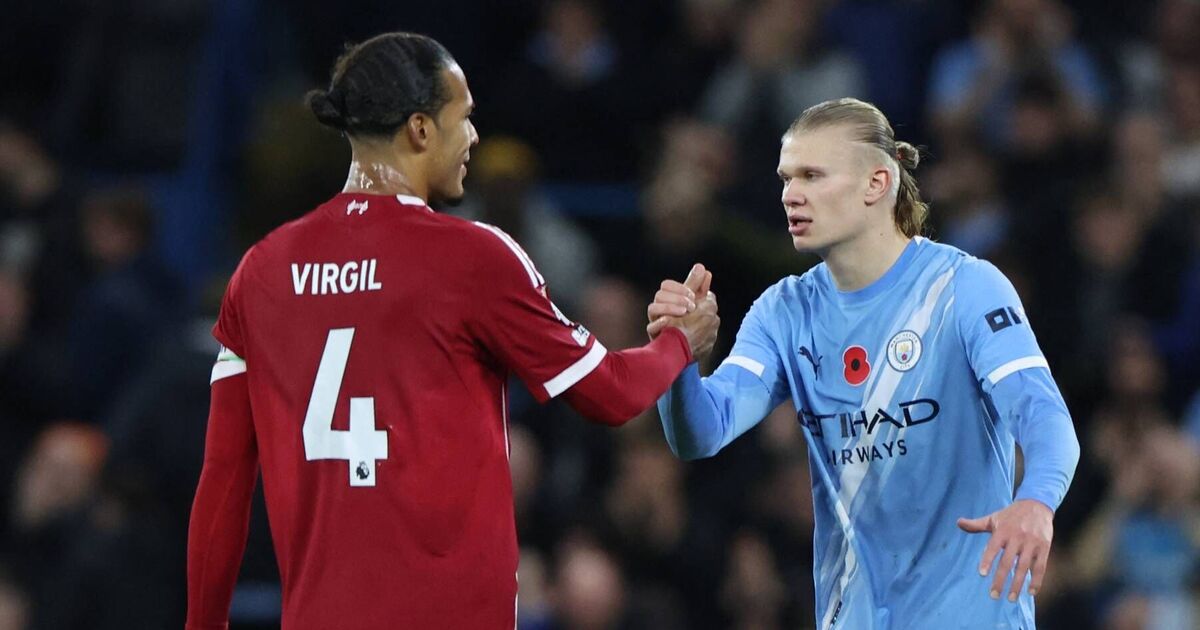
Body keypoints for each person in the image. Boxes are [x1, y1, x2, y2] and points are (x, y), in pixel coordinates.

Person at [185, 32, 719, 630]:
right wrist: (679, 342)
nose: (473, 137)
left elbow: (224, 480)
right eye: (463, 118)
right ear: (420, 129)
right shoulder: (473, 259)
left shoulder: (259, 271)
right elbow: (611, 393)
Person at [648, 97, 1080, 628]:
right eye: (786, 178)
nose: (790, 195)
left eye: (812, 175)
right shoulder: (785, 311)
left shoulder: (963, 288)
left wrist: (1036, 502)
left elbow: (1043, 414)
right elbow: (700, 434)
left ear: (877, 183)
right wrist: (678, 358)